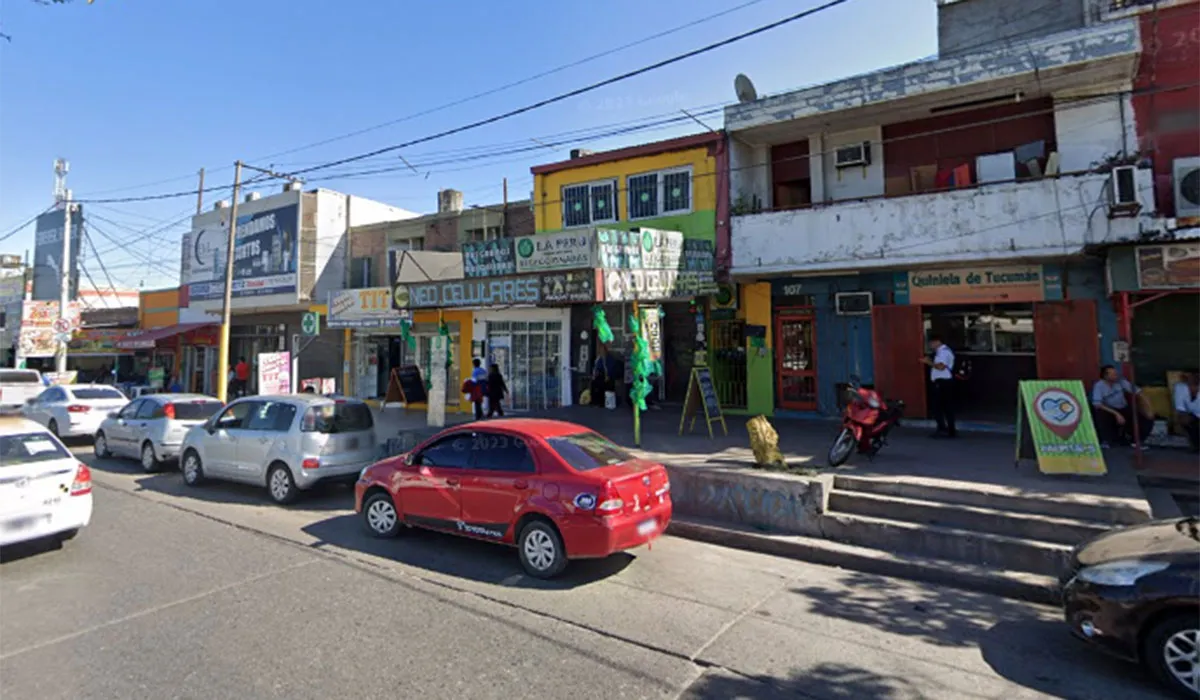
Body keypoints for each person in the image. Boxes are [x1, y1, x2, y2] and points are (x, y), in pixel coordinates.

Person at [1091, 365, 1154, 449]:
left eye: (1116, 373)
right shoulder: (1099, 385)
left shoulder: (1121, 382)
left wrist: (1149, 407)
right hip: (1109, 410)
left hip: (1123, 408)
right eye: (1112, 374)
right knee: (1100, 413)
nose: (1115, 375)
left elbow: (1138, 392)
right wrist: (1116, 414)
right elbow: (1097, 404)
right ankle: (1107, 441)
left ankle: (1136, 441)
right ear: (1105, 376)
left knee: (1144, 417)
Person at [919, 334, 957, 438]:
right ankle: (949, 429)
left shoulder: (943, 352)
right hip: (944, 382)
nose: (930, 345)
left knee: (939, 407)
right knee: (945, 406)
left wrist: (928, 363)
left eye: (931, 343)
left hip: (942, 382)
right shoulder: (941, 352)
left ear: (937, 342)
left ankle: (943, 429)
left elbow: (941, 367)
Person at [1172, 369, 1200, 452]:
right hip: (1193, 416)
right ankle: (1196, 445)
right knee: (1186, 421)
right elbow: (1180, 409)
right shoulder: (1180, 387)